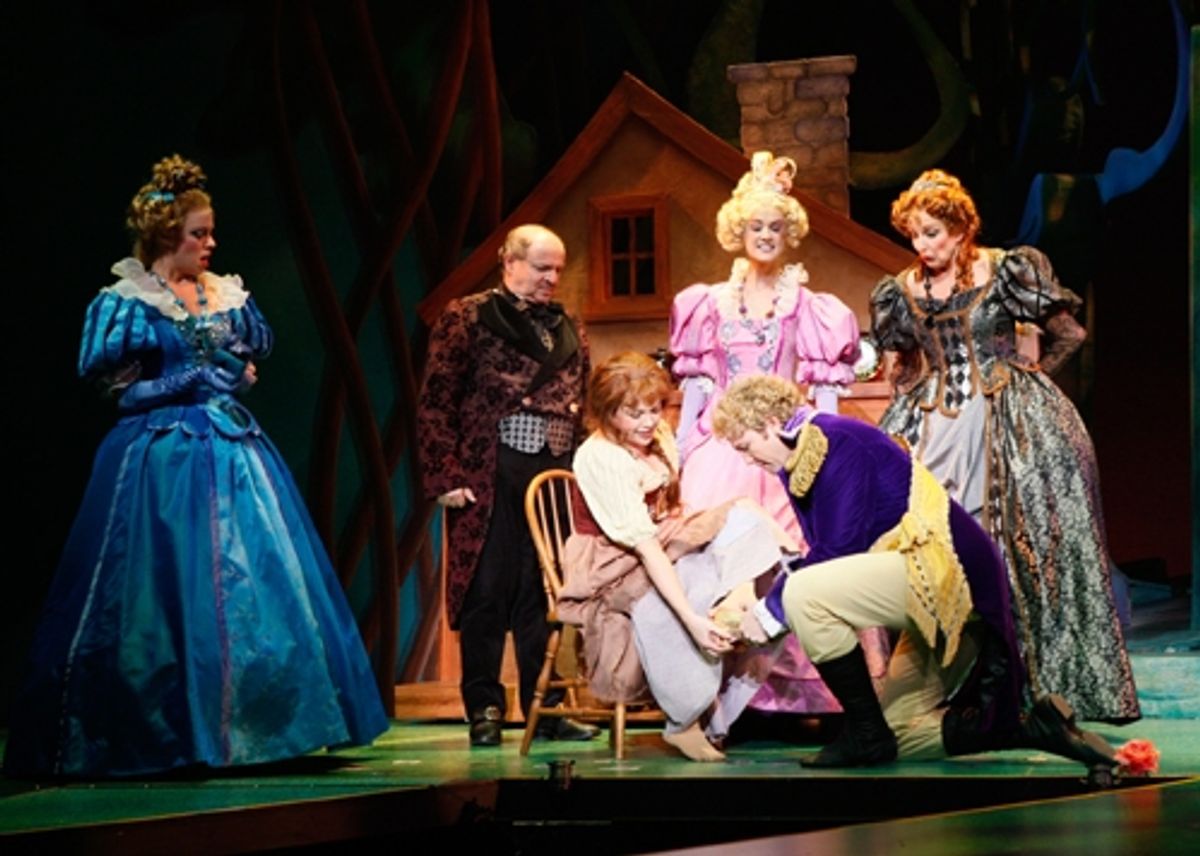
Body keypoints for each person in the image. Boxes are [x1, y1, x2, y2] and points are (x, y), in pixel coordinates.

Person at [4, 155, 388, 779]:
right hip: (159, 458)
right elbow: (120, 392)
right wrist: (187, 377)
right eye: (198, 234)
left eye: (211, 232)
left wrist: (232, 376)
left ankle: (267, 727)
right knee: (164, 593)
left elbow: (246, 363)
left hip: (235, 454)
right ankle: (170, 732)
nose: (210, 244)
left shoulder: (227, 295)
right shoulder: (128, 302)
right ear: (164, 237)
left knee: (259, 584)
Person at [711, 375, 1120, 771]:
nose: (747, 460)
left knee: (803, 596)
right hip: (925, 592)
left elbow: (838, 552)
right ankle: (1030, 731)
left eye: (746, 446)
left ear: (767, 423)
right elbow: (826, 551)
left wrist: (769, 612)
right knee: (896, 737)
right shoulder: (800, 458)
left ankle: (863, 732)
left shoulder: (835, 439)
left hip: (947, 580)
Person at [869, 169, 1139, 723]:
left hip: (1002, 420)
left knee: (1013, 546)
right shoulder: (900, 288)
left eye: (933, 234)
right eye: (915, 235)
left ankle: (1022, 682)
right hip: (933, 423)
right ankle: (949, 682)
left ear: (961, 229)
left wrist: (1028, 377)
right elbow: (901, 363)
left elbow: (1069, 333)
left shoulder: (1006, 268)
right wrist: (902, 407)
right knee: (928, 547)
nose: (923, 247)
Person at [669, 149, 888, 713]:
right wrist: (685, 445)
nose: (764, 235)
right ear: (736, 231)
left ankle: (796, 698)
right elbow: (697, 384)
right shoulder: (708, 303)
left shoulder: (808, 307)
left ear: (789, 234)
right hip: (722, 447)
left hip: (780, 441)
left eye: (774, 227)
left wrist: (824, 443)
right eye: (754, 226)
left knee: (794, 556)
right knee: (716, 557)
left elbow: (825, 391)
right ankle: (712, 697)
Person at [556, 353, 791, 761]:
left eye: (654, 409)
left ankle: (737, 599)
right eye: (633, 414)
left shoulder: (656, 436)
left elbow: (670, 512)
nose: (648, 421)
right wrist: (691, 619)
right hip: (613, 562)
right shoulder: (601, 458)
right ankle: (684, 720)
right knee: (682, 596)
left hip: (660, 536)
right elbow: (643, 547)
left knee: (747, 519)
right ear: (607, 412)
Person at [417, 224, 597, 747]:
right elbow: (436, 401)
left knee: (545, 592)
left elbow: (580, 404)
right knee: (487, 591)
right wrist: (445, 475)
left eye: (558, 269)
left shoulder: (569, 326)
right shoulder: (468, 316)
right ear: (509, 262)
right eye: (542, 267)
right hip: (489, 469)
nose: (551, 278)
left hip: (552, 475)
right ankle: (485, 707)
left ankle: (549, 708)